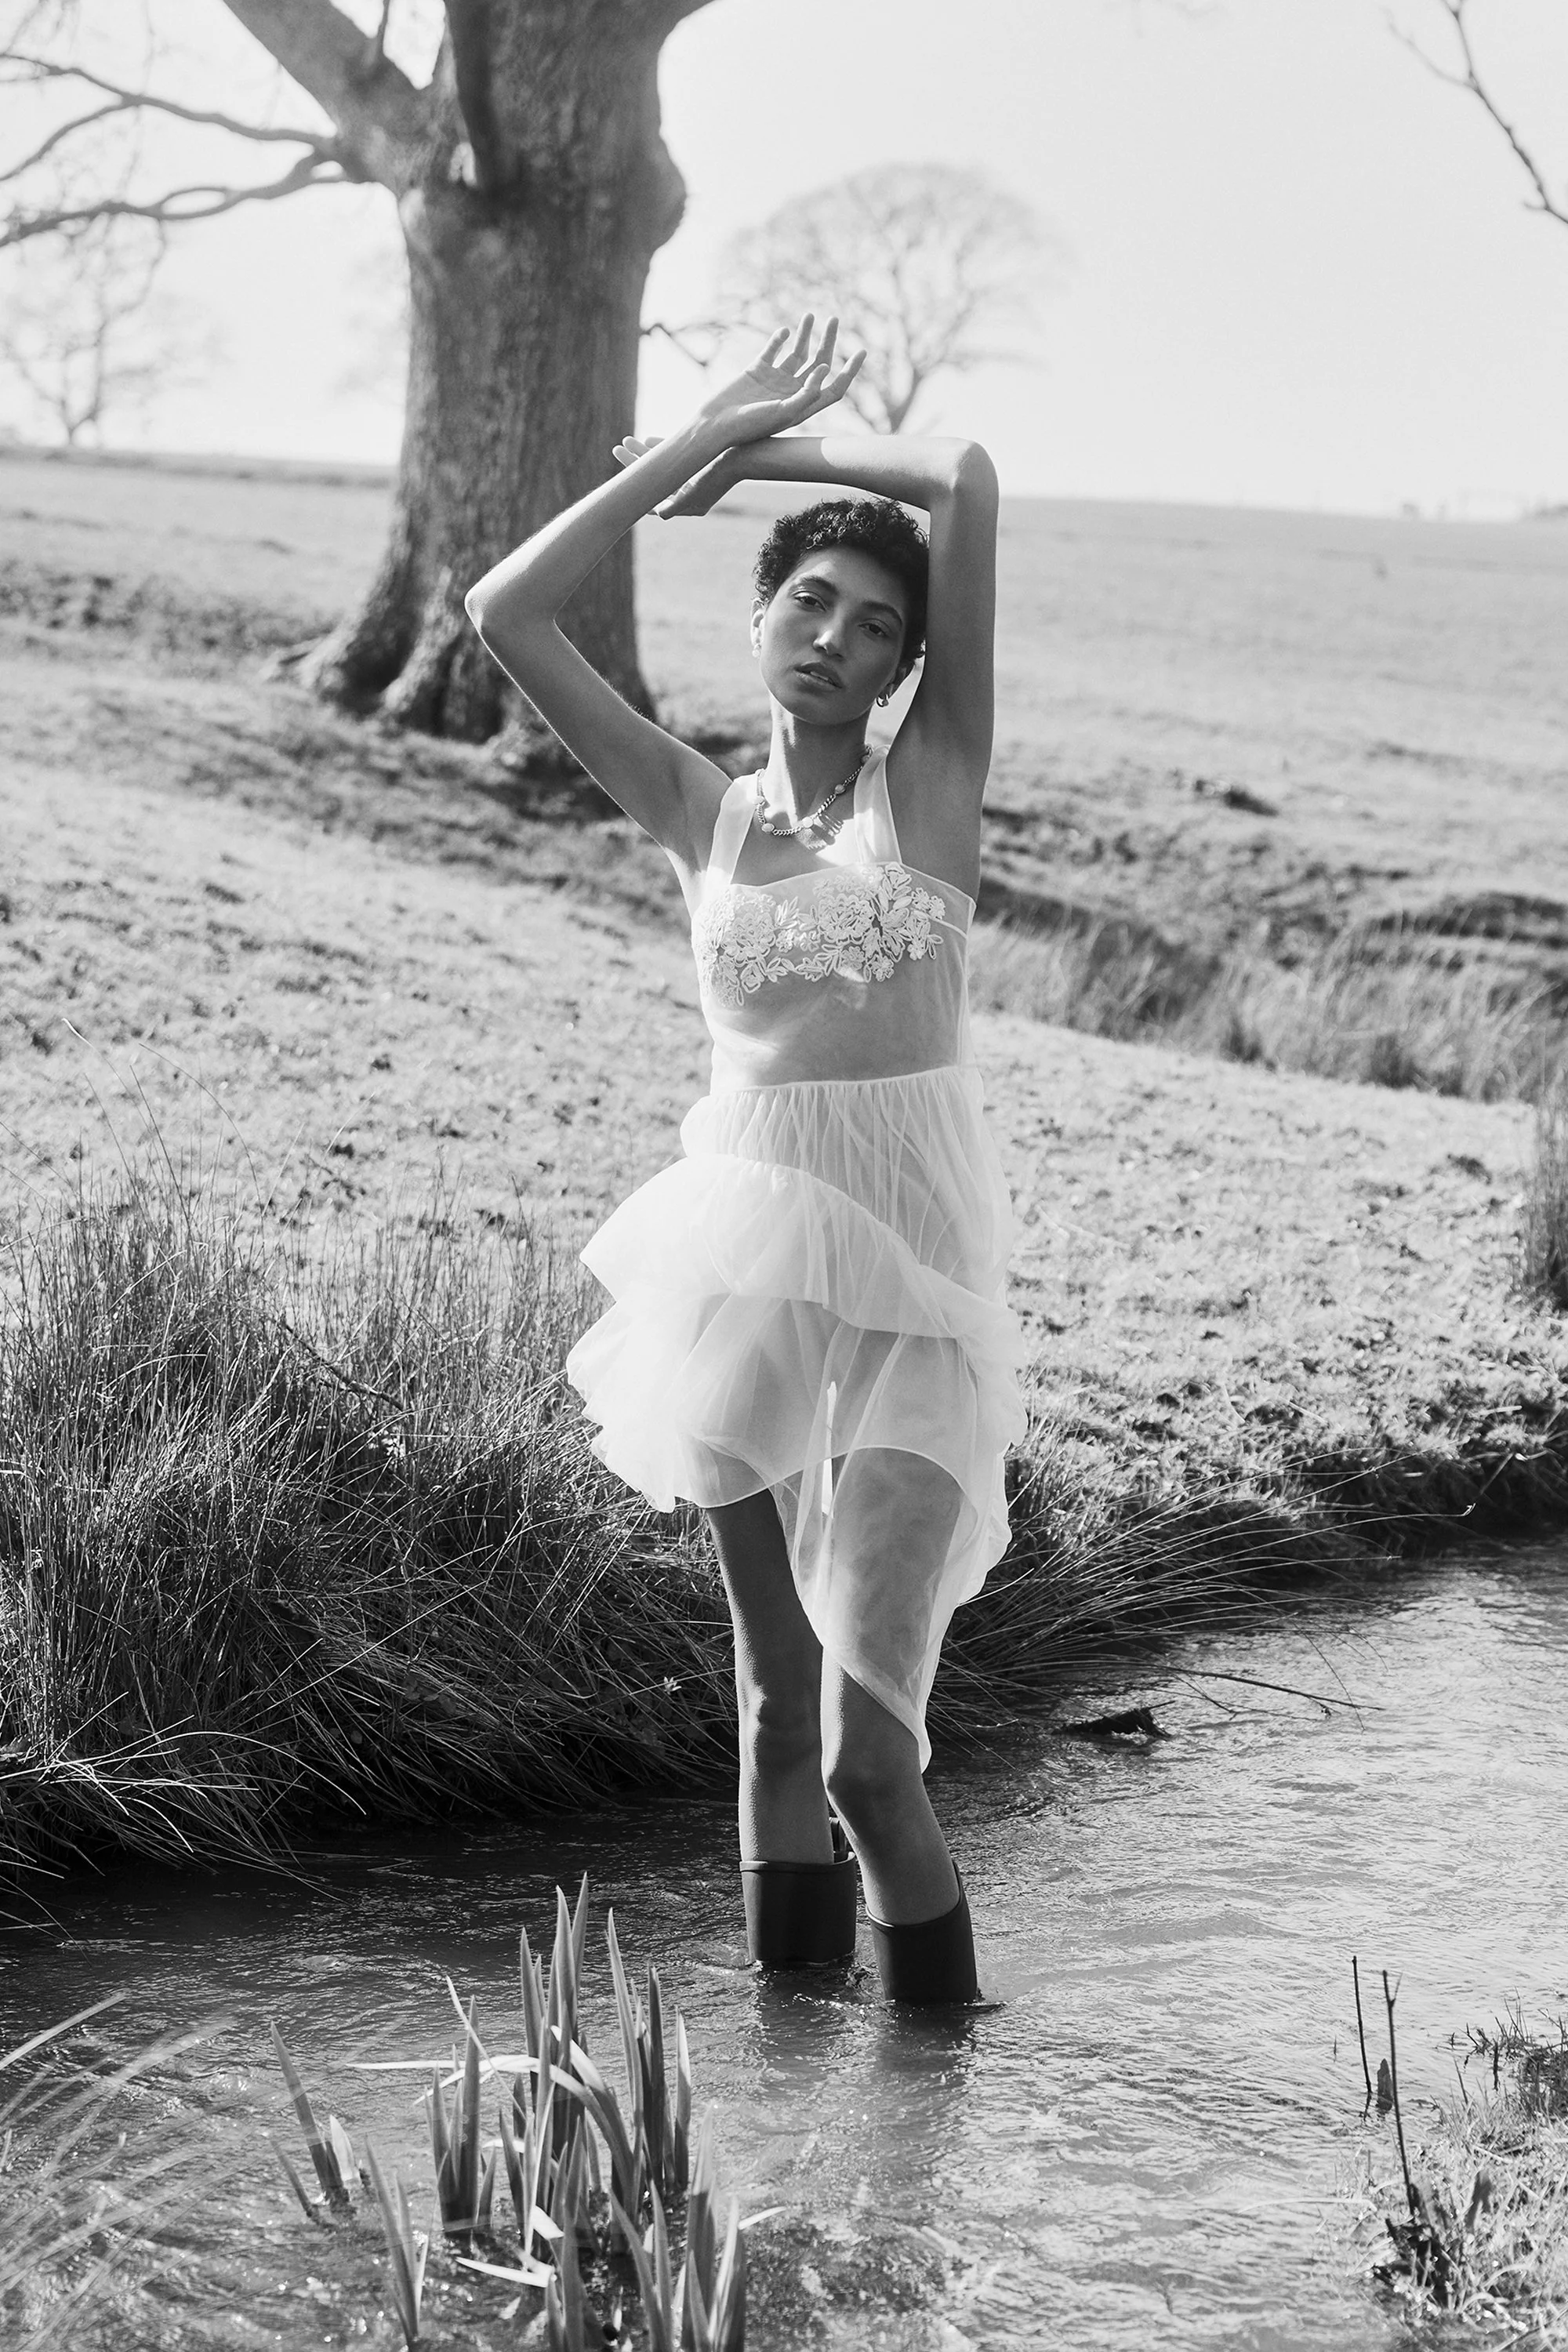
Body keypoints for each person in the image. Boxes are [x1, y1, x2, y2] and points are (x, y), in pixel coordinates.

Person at [465, 316, 1025, 2003]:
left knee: (869, 1754)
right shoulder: (696, 808)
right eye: (806, 603)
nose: (833, 638)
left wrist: (769, 457)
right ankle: (791, 2109)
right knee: (775, 1709)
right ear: (763, 619)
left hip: (919, 1284)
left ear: (902, 666)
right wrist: (682, 449)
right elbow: (505, 613)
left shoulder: (927, 790)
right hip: (740, 1270)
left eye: (872, 625)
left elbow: (965, 479)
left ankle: (929, 2110)